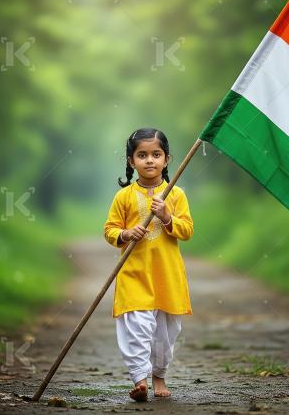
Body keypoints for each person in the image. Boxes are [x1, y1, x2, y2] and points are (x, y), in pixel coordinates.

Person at [103, 128, 194, 401]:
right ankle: (139, 380)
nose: (150, 160)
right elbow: (110, 230)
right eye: (142, 155)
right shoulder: (124, 197)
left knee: (165, 334)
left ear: (167, 159)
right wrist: (125, 234)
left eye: (156, 154)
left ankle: (159, 377)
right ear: (131, 161)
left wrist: (167, 217)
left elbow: (187, 230)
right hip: (134, 275)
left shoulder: (175, 195)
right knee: (137, 328)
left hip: (166, 277)